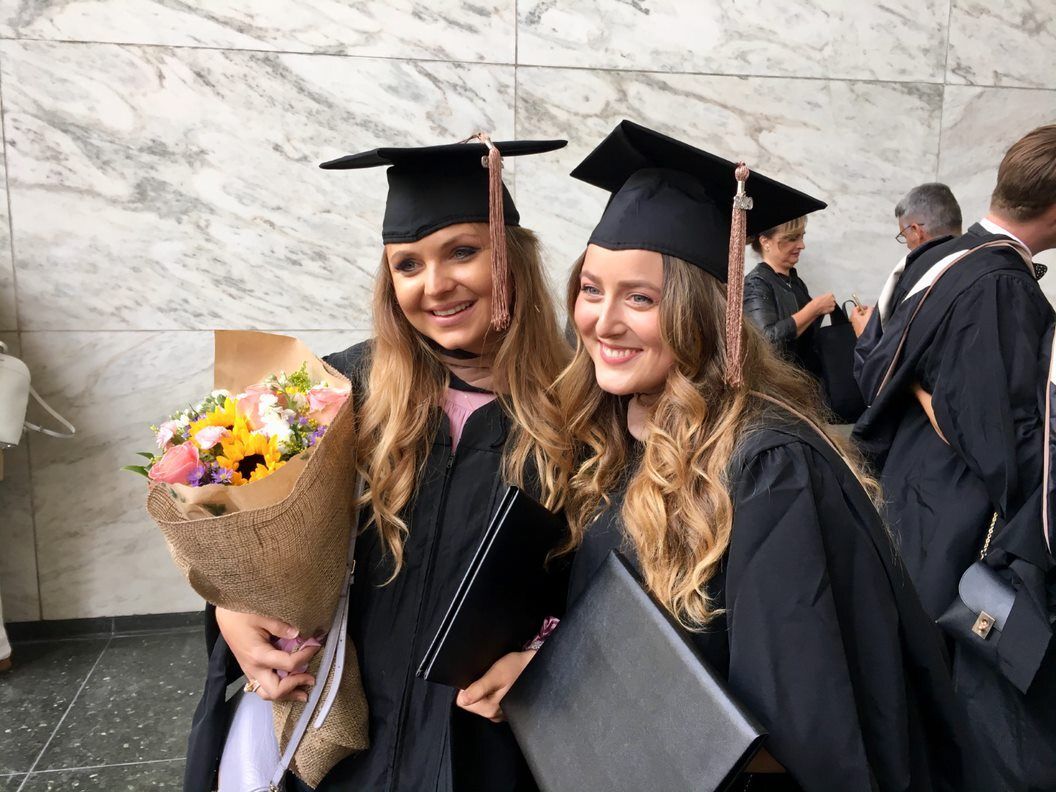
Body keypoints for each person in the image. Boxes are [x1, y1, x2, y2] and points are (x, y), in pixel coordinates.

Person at [458, 121, 991, 792]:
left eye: (642, 298)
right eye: (591, 290)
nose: (604, 321)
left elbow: (800, 730)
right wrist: (545, 674)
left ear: (704, 311)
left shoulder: (768, 468)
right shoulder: (606, 437)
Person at [182, 135, 572, 792]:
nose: (436, 285)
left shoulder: (578, 407)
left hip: (486, 743)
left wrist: (545, 655)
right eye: (408, 264)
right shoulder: (337, 381)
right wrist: (231, 610)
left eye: (464, 253)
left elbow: (603, 586)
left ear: (514, 258)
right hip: (344, 733)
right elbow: (199, 481)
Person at [853, 126, 1056, 790]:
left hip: (910, 494)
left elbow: (874, 361)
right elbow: (1005, 447)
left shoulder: (943, 258)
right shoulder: (1001, 286)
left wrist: (926, 397)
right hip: (957, 524)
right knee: (949, 704)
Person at [849, 182, 962, 338]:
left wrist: (866, 333)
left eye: (903, 235)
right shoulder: (984, 264)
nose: (907, 245)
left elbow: (896, 355)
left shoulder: (917, 278)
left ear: (915, 230)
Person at [742, 215, 834, 377]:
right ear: (765, 242)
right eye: (791, 239)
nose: (802, 245)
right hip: (781, 386)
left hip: (807, 381)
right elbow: (766, 342)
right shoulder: (756, 283)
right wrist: (813, 309)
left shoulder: (795, 282)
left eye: (801, 237)